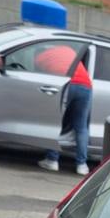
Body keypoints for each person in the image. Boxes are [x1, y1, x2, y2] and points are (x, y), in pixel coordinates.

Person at [34, 43, 92, 176]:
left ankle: (52, 160)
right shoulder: (68, 49)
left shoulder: (39, 57)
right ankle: (82, 165)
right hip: (85, 85)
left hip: (66, 83)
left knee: (55, 122)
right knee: (81, 127)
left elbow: (40, 79)